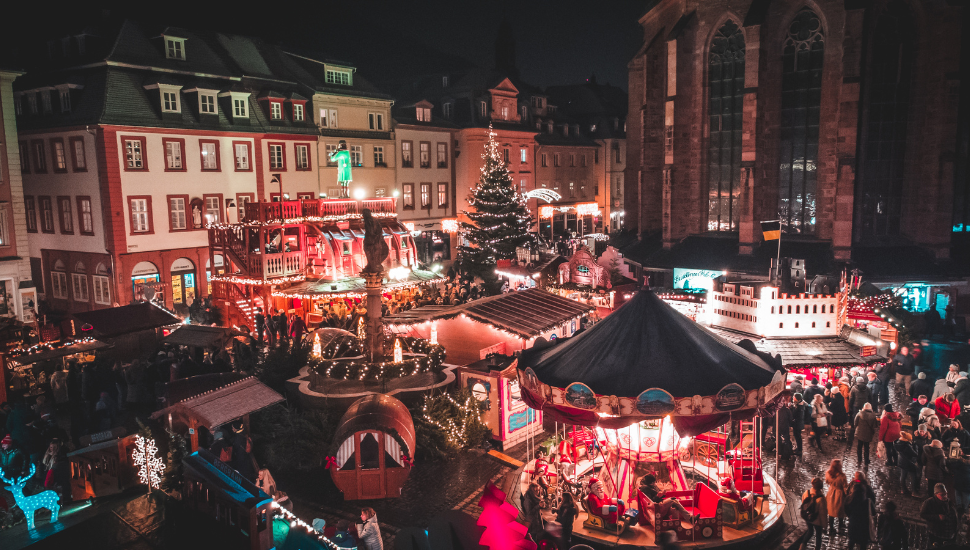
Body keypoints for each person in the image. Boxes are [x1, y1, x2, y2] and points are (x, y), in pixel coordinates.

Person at [920, 483, 959, 548]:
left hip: (950, 535)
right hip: (937, 533)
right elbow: (923, 514)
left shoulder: (949, 502)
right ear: (936, 494)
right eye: (942, 495)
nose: (945, 496)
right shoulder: (929, 502)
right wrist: (937, 517)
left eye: (946, 493)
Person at [845, 471, 875, 550]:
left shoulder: (850, 498)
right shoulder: (868, 500)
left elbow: (846, 508)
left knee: (851, 541)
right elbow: (873, 510)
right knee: (863, 544)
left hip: (853, 523)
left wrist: (851, 516)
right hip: (864, 525)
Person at [800, 477, 828, 550]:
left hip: (808, 517)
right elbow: (823, 513)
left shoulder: (806, 493)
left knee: (810, 531)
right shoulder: (821, 499)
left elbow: (803, 503)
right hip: (817, 520)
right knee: (818, 536)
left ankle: (802, 546)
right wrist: (825, 525)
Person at [825, 459, 848, 535]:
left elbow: (827, 481)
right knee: (840, 510)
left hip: (831, 492)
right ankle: (840, 526)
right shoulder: (842, 476)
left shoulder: (828, 473)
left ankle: (831, 527)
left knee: (831, 511)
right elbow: (845, 487)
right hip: (839, 494)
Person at [895, 432, 922, 496]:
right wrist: (915, 446)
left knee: (903, 475)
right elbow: (915, 454)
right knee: (913, 476)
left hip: (901, 462)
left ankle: (903, 489)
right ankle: (914, 492)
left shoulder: (899, 442)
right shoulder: (907, 445)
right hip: (908, 463)